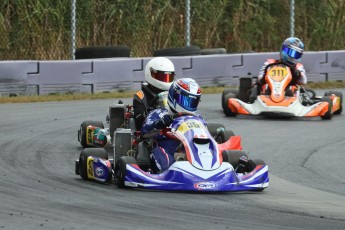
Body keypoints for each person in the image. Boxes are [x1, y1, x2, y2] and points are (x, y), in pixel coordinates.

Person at [140, 78, 204, 172]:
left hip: (194, 150)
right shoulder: (158, 113)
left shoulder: (198, 119)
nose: (189, 105)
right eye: (186, 100)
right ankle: (167, 173)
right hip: (168, 150)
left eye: (192, 102)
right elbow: (144, 132)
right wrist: (161, 123)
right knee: (161, 155)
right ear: (174, 96)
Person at [250, 37, 307, 101]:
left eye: (296, 54)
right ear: (283, 49)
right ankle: (256, 99)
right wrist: (264, 77)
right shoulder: (269, 63)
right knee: (263, 86)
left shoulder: (298, 67)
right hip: (269, 90)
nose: (292, 56)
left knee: (293, 88)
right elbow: (260, 78)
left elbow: (303, 81)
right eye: (291, 52)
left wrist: (298, 74)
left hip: (290, 94)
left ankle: (290, 99)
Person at [133, 57, 175, 130]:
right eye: (162, 77)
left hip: (175, 127)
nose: (166, 81)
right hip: (152, 131)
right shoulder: (141, 96)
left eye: (169, 77)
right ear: (150, 73)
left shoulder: (175, 92)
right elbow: (139, 122)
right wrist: (147, 112)